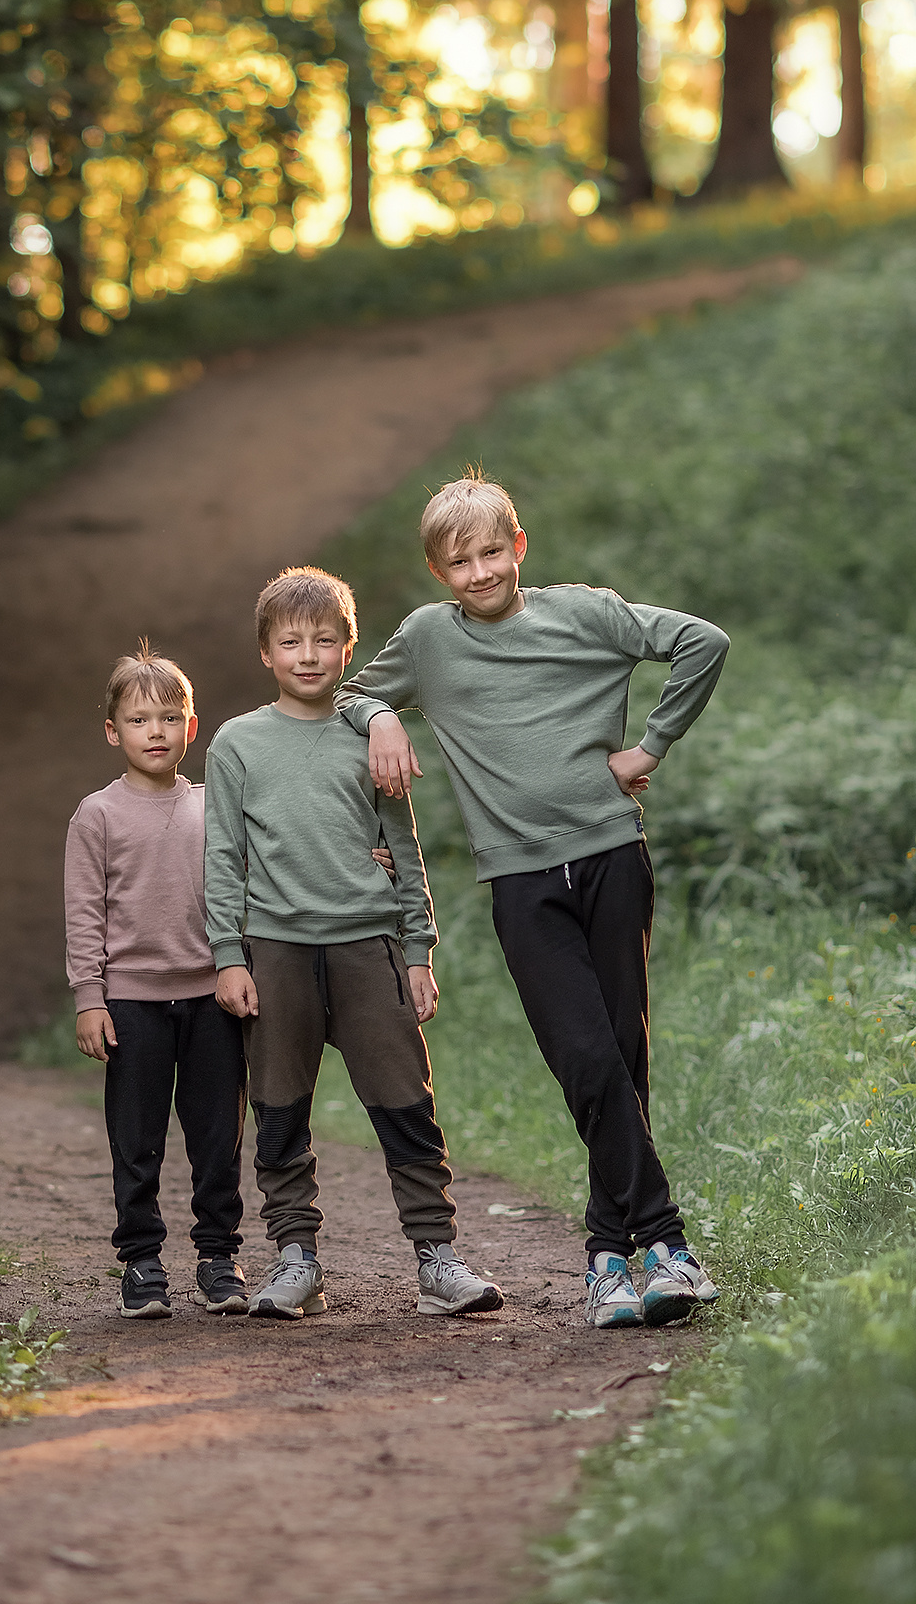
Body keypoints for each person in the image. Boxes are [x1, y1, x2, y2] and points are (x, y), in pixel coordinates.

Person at [335, 473, 728, 1331]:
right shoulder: (427, 641)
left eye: (491, 552)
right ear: (438, 571)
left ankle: (610, 1260)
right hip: (519, 879)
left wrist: (650, 748)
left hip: (612, 858)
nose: (479, 572)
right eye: (459, 561)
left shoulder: (586, 613)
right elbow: (344, 695)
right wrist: (382, 718)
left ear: (519, 546)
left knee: (621, 1055)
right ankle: (665, 1241)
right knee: (583, 1056)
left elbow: (703, 641)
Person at [206, 565, 503, 1322]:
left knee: (406, 1104)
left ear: (349, 647)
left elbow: (402, 847)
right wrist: (229, 956)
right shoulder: (237, 743)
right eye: (290, 642)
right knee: (279, 1111)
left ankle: (437, 1258)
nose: (308, 656)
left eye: (324, 641)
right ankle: (295, 1259)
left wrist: (419, 950)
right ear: (265, 652)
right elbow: (222, 858)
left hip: (369, 948)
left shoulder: (371, 735)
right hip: (275, 951)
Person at [65, 646, 249, 1319]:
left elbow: (259, 874)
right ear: (112, 731)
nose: (156, 732)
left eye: (170, 718)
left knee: (218, 1138)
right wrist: (89, 998)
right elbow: (84, 912)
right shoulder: (97, 815)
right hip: (131, 1003)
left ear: (191, 728)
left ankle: (219, 1257)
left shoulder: (215, 807)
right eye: (139, 720)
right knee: (137, 1138)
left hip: (212, 997)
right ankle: (141, 1263)